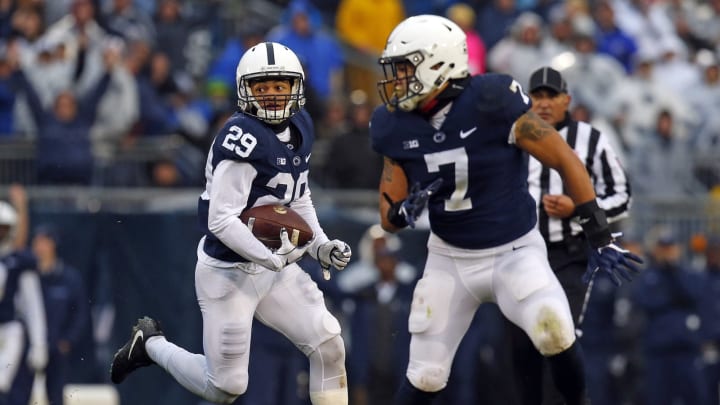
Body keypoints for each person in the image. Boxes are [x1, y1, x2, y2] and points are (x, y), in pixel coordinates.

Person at [369, 15, 642, 405]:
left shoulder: (491, 99)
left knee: (555, 333)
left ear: (438, 62)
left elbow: (565, 159)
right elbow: (388, 216)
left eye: (405, 67)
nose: (397, 80)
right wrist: (402, 213)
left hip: (513, 251)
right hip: (449, 258)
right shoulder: (392, 125)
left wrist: (597, 232)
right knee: (426, 376)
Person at [109, 42, 353, 405]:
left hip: (273, 265)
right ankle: (151, 345)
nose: (272, 95)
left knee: (329, 345)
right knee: (225, 387)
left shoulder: (301, 124)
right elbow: (220, 220)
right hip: (229, 271)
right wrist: (274, 258)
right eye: (262, 87)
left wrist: (318, 244)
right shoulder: (243, 138)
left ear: (295, 87)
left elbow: (296, 196)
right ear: (245, 91)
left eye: (280, 86)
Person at [507, 66, 632, 405]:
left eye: (551, 96)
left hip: (570, 254)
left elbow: (622, 195)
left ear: (567, 100)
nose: (544, 103)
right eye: (537, 96)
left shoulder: (591, 138)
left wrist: (577, 207)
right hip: (519, 254)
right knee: (521, 345)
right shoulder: (513, 137)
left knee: (558, 337)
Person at [0, 190, 48, 404]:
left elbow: (33, 304)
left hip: (9, 329)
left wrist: (39, 343)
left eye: (3, 229)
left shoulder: (19, 262)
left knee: (3, 383)